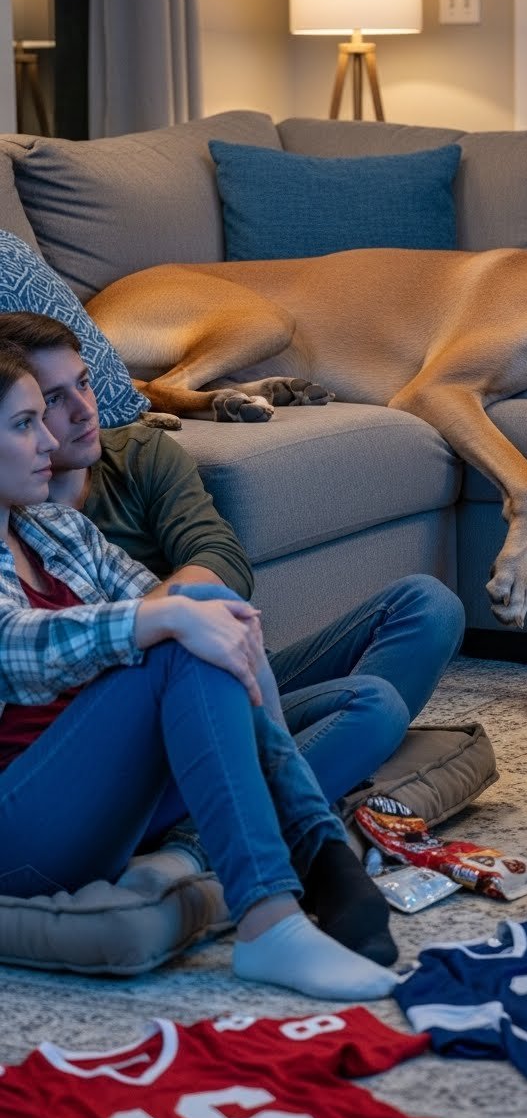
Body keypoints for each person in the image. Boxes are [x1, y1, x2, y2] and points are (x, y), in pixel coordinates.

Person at [0, 337, 396, 1002]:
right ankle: (283, 895)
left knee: (204, 608)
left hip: (99, 809)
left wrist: (190, 614)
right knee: (184, 629)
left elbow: (180, 605)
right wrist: (166, 620)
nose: (48, 440)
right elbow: (12, 646)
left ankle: (310, 850)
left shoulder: (53, 531)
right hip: (19, 834)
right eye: (23, 424)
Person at [0, 312, 465, 817]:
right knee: (371, 710)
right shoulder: (21, 526)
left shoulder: (136, 459)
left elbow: (221, 558)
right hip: (124, 716)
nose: (84, 411)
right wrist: (155, 630)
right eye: (50, 402)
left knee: (427, 605)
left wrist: (172, 618)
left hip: (202, 675)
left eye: (85, 385)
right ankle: (314, 785)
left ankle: (304, 772)